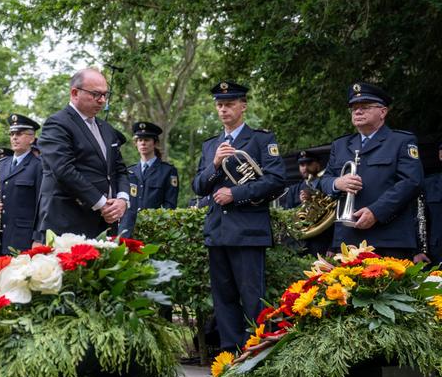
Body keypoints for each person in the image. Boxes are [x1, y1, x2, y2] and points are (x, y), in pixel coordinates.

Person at [192, 81, 285, 353]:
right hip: (217, 230)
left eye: (230, 104)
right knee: (223, 299)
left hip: (248, 231)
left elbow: (277, 180)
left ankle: (257, 353)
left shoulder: (261, 140)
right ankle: (229, 355)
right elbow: (198, 186)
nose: (224, 109)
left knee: (253, 299)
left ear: (243, 106)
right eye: (219, 105)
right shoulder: (211, 145)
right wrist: (215, 165)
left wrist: (236, 193)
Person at [317, 83, 423, 260]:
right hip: (348, 238)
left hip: (389, 238)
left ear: (383, 112)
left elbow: (412, 182)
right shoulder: (340, 145)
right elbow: (324, 180)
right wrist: (337, 183)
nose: (358, 112)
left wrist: (376, 212)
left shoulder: (401, 141)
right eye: (354, 108)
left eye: (365, 107)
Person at [35, 68, 131, 240]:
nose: (102, 100)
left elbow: (119, 169)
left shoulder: (107, 129)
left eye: (105, 94)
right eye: (95, 94)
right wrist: (102, 204)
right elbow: (64, 170)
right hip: (68, 223)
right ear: (74, 93)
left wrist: (122, 200)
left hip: (105, 224)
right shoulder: (57, 124)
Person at [0, 114, 43, 255]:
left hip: (23, 240)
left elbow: (43, 206)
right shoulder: (1, 164)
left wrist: (38, 237)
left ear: (32, 138)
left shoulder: (39, 166)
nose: (14, 138)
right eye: (12, 134)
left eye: (19, 134)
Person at [119, 121, 179, 237]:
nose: (143, 143)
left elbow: (170, 205)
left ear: (155, 143)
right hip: (129, 229)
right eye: (139, 140)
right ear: (136, 144)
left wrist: (160, 226)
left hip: (154, 230)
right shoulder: (129, 171)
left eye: (147, 140)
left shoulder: (168, 171)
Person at [277, 149, 334, 257]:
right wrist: (302, 204)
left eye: (309, 163)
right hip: (298, 246)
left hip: (322, 244)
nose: (305, 168)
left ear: (318, 165)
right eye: (302, 165)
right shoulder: (293, 190)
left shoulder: (328, 186)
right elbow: (287, 217)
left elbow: (334, 218)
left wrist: (332, 246)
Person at [424, 143, 442, 261]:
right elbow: (418, 219)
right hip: (435, 256)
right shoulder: (428, 185)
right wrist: (419, 251)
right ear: (440, 155)